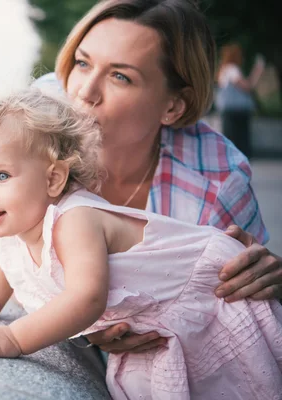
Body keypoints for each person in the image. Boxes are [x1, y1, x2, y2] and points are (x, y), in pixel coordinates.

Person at [0, 88, 282, 399]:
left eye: (2, 175)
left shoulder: (74, 219)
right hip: (166, 320)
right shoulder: (12, 239)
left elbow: (85, 299)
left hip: (216, 299)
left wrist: (13, 337)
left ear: (53, 180)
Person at [31, 0, 281, 354]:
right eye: (82, 63)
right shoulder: (37, 123)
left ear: (173, 106)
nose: (85, 92)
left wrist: (267, 280)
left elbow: (244, 307)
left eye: (120, 76)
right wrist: (82, 328)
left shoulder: (217, 176)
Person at [215, 42, 265, 159]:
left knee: (230, 142)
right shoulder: (232, 69)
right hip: (237, 112)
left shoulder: (224, 69)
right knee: (241, 143)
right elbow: (247, 87)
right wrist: (258, 70)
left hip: (228, 111)